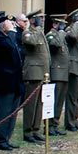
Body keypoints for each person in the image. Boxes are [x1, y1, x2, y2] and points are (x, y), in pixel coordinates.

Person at [0, 16, 23, 150]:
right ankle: (1, 140)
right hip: (4, 82)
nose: (13, 28)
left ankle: (7, 138)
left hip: (15, 81)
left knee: (13, 112)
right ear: (3, 27)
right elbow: (10, 47)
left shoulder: (11, 38)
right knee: (4, 112)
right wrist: (10, 32)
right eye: (10, 25)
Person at [21, 10, 49, 143]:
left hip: (42, 72)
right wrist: (37, 28)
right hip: (33, 73)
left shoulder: (40, 33)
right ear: (32, 20)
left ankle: (36, 129)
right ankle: (28, 131)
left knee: (40, 103)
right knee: (31, 104)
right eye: (39, 19)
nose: (42, 21)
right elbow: (31, 42)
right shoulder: (27, 33)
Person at [47, 14, 69, 134]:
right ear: (54, 24)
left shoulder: (60, 35)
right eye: (61, 24)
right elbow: (56, 44)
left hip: (63, 73)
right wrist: (60, 31)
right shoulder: (51, 35)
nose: (64, 27)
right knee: (54, 101)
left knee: (60, 102)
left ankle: (55, 124)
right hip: (56, 73)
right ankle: (50, 126)